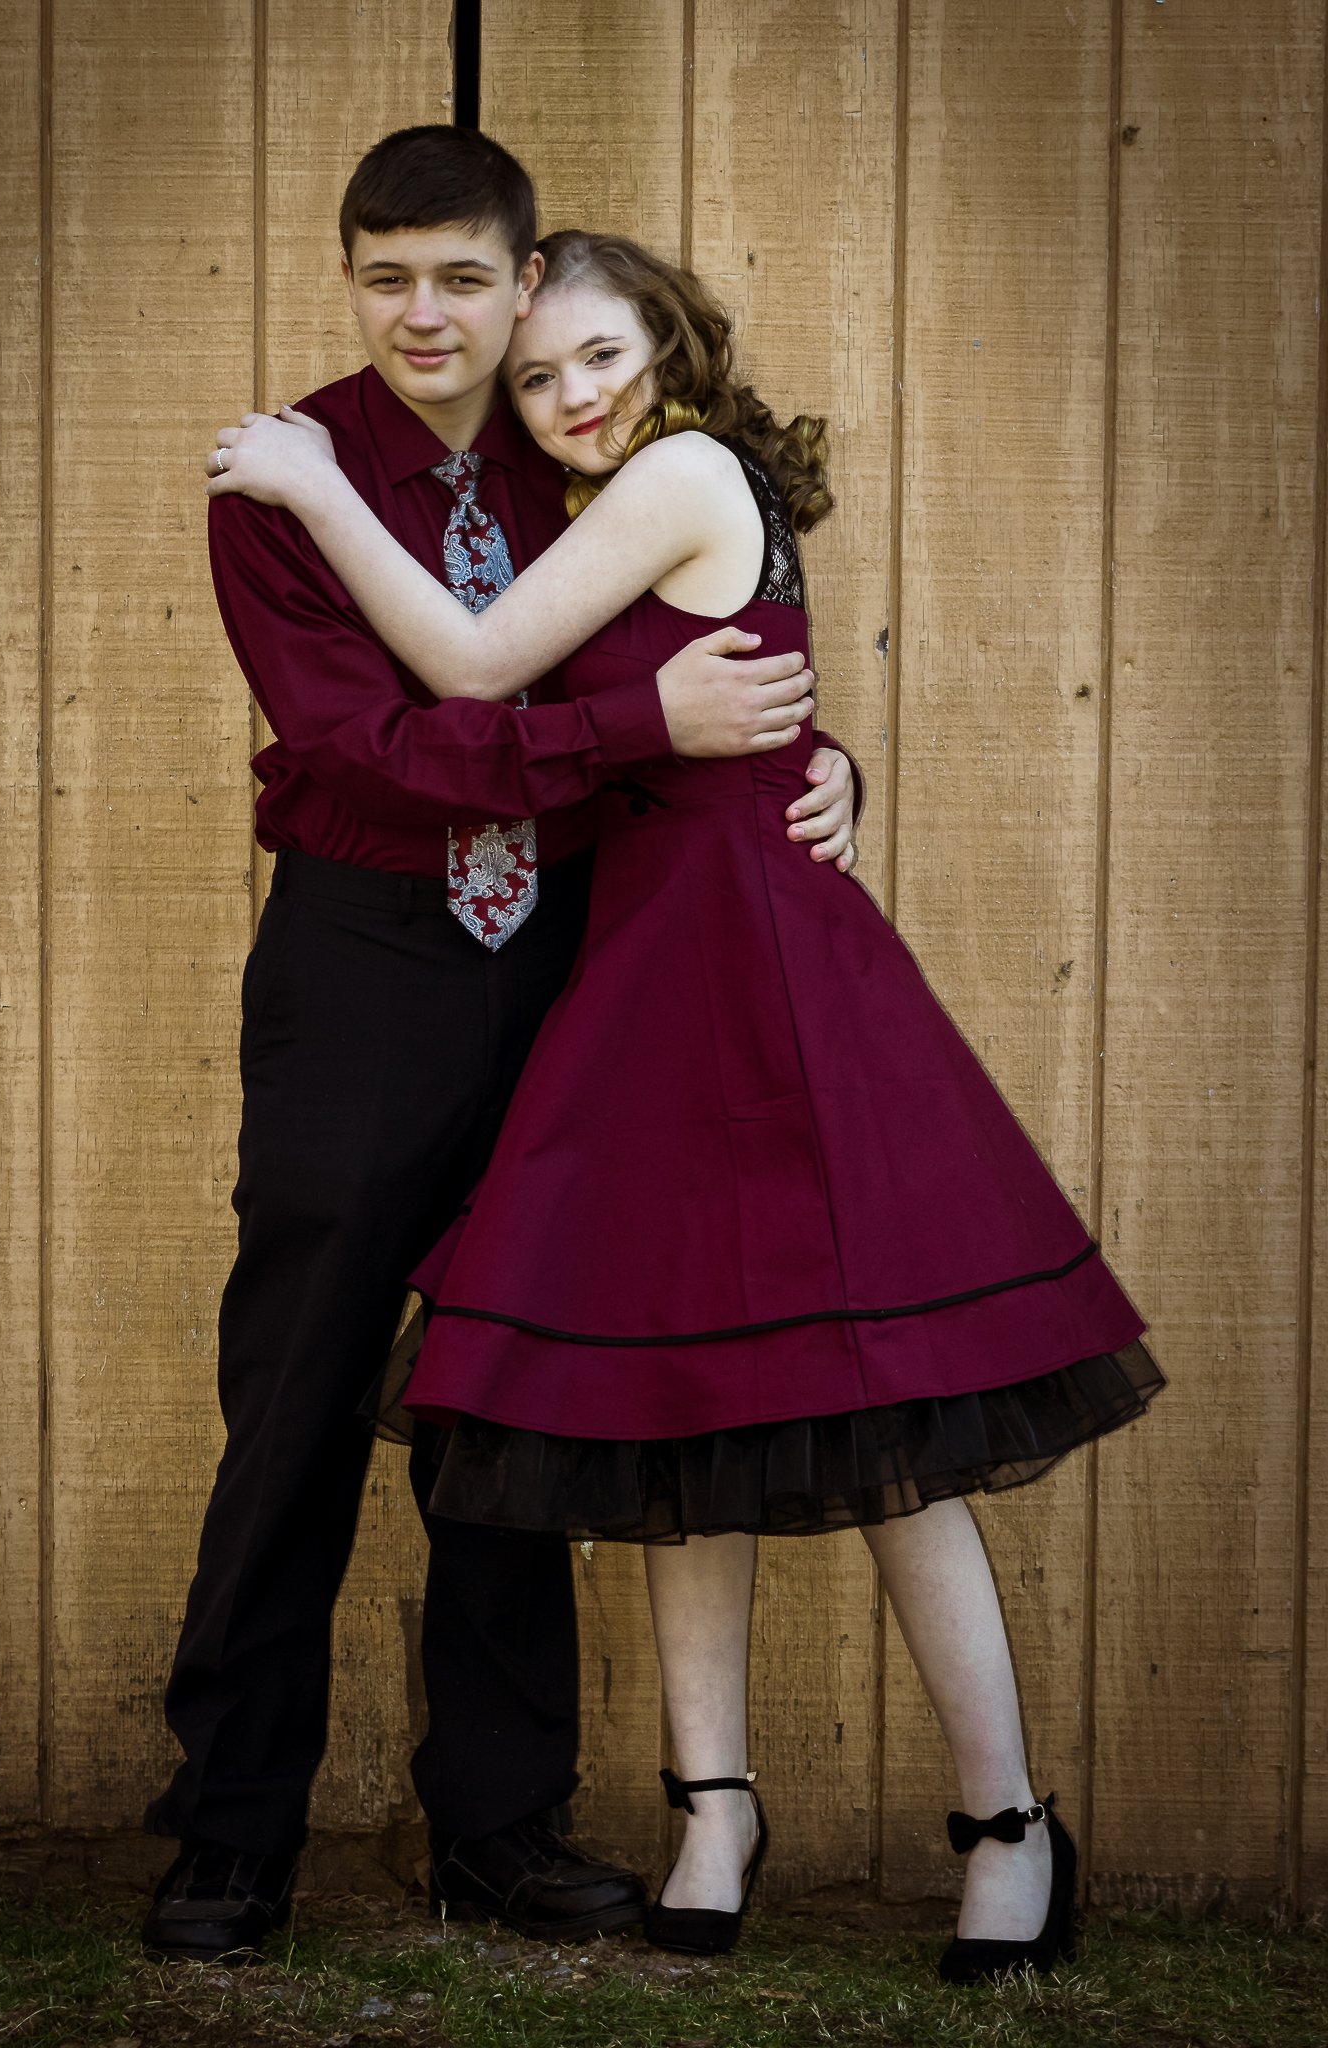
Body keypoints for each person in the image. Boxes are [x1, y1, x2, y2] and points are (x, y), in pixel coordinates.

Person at [206, 227, 1167, 1984]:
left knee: (884, 1423)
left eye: (599, 357)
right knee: (670, 1412)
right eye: (541, 375)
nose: (569, 397)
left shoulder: (681, 472)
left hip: (761, 988)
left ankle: (1008, 1827)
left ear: (669, 344)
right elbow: (667, 708)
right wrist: (819, 755)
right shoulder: (610, 504)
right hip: (644, 981)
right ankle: (709, 1813)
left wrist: (318, 487)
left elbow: (481, 670)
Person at [143, 130, 863, 1963]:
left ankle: (499, 1827)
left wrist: (808, 763)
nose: (424, 314)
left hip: (568, 960)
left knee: (514, 1396)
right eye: (386, 276)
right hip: (364, 968)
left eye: (464, 277)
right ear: (347, 280)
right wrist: (637, 724)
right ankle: (230, 1837)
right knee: (296, 1395)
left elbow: (723, 651)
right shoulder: (284, 484)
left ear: (526, 280)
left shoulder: (586, 459)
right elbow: (356, 748)